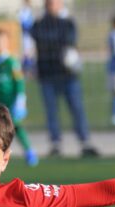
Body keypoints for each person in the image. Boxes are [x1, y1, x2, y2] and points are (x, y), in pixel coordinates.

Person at [30, 0, 100, 158]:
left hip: (68, 75)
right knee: (52, 111)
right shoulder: (39, 25)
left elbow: (69, 42)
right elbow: (36, 42)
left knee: (76, 108)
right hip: (47, 75)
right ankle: (56, 144)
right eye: (49, 3)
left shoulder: (68, 23)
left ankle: (84, 142)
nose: (51, 5)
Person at [0, 28, 38, 166]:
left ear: (7, 43)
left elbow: (19, 82)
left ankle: (29, 152)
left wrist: (20, 100)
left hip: (11, 102)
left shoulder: (12, 62)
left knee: (17, 127)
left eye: (2, 41)